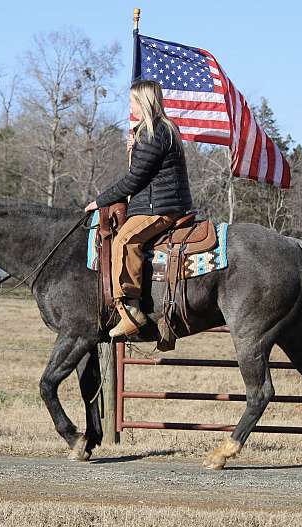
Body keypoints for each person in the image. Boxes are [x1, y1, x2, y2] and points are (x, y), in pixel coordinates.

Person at [85, 79, 192, 337]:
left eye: (133, 100)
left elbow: (134, 180)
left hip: (160, 206)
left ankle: (131, 311)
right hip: (160, 201)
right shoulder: (162, 129)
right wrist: (136, 149)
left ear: (144, 102)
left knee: (124, 241)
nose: (130, 105)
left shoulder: (153, 131)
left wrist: (100, 201)